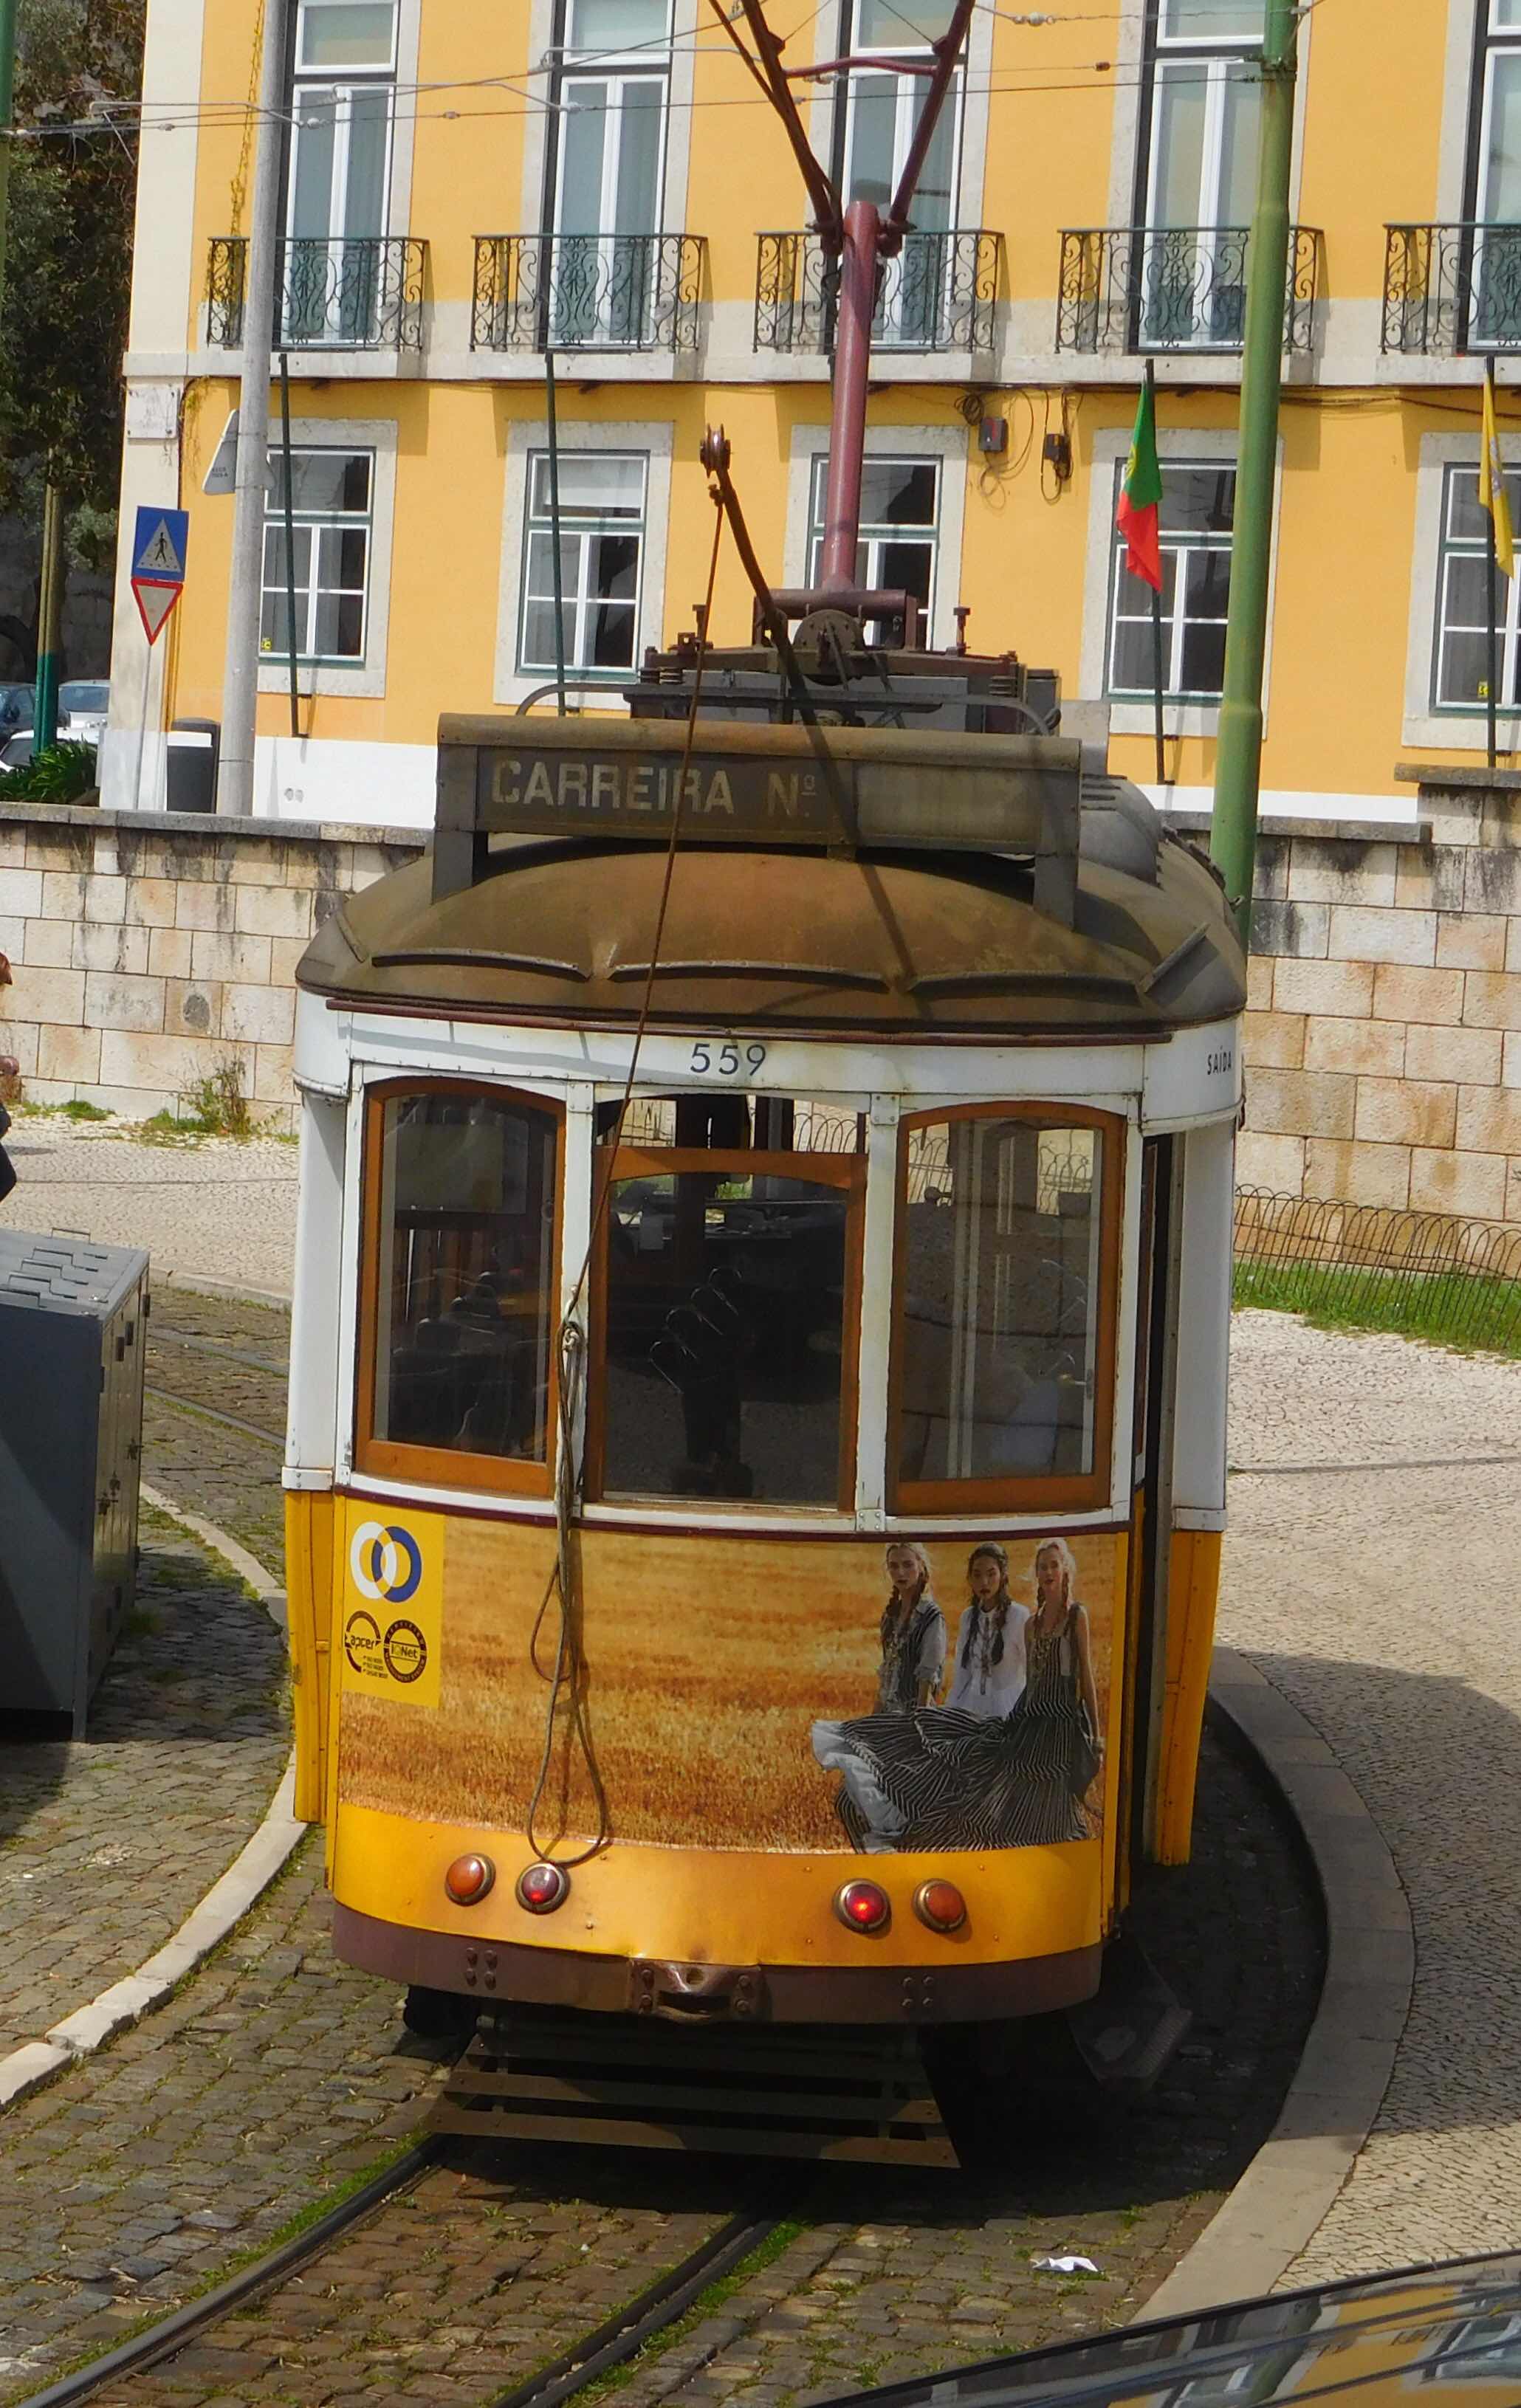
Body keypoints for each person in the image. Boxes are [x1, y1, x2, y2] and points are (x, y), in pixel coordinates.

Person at [810, 1538, 1104, 1853]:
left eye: (1054, 1566)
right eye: (1042, 1567)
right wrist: (944, 1720)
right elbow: (991, 1678)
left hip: (1044, 1718)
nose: (1048, 1572)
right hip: (1013, 1714)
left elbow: (1080, 1676)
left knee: (1030, 1798)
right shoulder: (1014, 1622)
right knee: (964, 1773)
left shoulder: (1052, 1617)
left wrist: (1095, 1736)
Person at [942, 1541, 1029, 1719]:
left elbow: (1031, 1671)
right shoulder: (967, 1617)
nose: (984, 1582)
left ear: (1003, 1576)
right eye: (977, 1575)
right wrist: (950, 1711)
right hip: (972, 1708)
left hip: (1009, 1710)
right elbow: (962, 1673)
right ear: (969, 1578)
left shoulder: (1018, 1615)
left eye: (991, 1574)